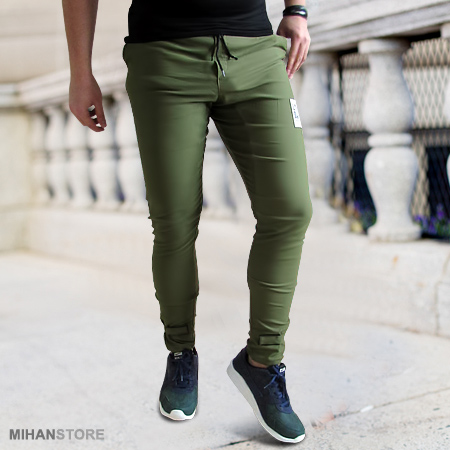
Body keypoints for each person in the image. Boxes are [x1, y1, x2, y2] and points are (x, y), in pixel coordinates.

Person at [62, 0, 313, 444]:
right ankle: (181, 353)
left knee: (291, 209)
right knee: (175, 221)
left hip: (256, 52)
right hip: (164, 58)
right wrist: (80, 71)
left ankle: (262, 362)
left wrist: (297, 9)